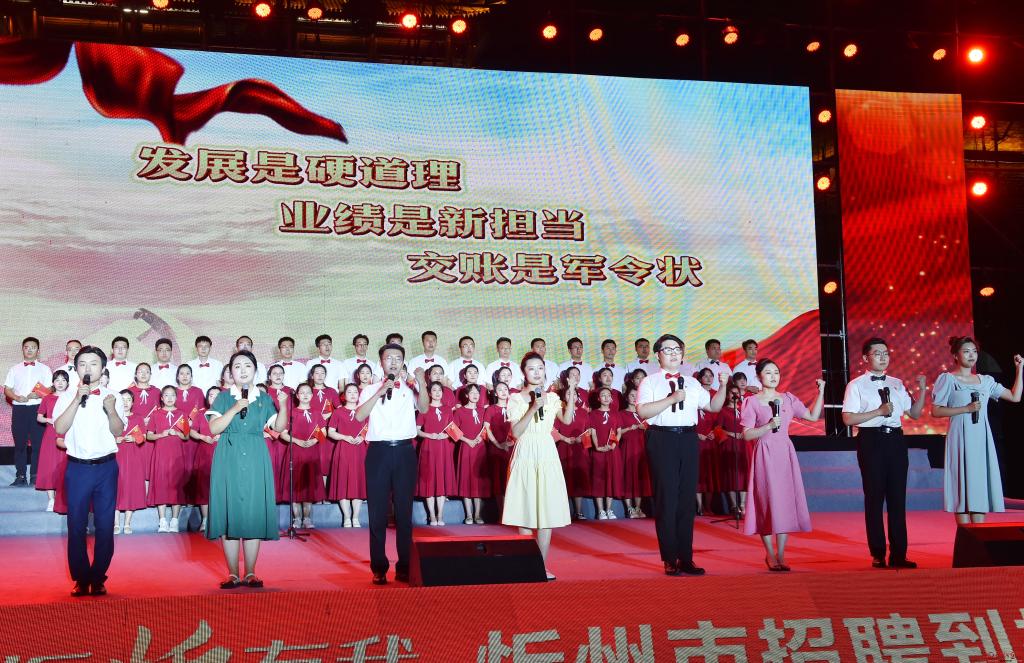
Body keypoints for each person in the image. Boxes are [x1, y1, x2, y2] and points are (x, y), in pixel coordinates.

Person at [637, 334, 727, 577]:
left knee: (687, 500)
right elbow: (643, 412)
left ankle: (686, 557)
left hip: (688, 438)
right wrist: (672, 399)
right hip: (661, 438)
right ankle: (669, 558)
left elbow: (713, 407)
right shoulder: (649, 382)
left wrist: (723, 386)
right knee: (667, 498)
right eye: (668, 349)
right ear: (658, 355)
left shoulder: (692, 382)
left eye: (677, 349)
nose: (674, 353)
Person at [841, 337, 927, 569]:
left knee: (898, 498)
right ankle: (878, 553)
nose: (883, 357)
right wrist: (878, 412)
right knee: (874, 497)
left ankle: (899, 554)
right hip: (871, 441)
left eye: (886, 353)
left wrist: (922, 391)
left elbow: (914, 414)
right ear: (865, 358)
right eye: (877, 353)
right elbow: (848, 418)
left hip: (896, 441)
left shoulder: (897, 383)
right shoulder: (856, 385)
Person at [207, 350, 289, 589]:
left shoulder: (264, 398)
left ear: (255, 370)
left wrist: (283, 406)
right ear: (230, 372)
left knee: (253, 510)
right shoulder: (223, 397)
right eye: (237, 366)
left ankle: (251, 572)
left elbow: (278, 427)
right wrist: (234, 408)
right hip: (228, 456)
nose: (242, 371)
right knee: (230, 511)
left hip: (255, 454)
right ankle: (233, 573)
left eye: (247, 366)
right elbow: (214, 428)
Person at [53, 345, 125, 596]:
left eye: (93, 363)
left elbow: (118, 431)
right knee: (76, 525)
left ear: (103, 368)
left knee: (105, 526)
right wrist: (76, 399)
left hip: (106, 467)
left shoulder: (113, 396)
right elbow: (60, 428)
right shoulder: (66, 396)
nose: (88, 368)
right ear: (76, 368)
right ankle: (81, 578)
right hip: (78, 468)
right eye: (82, 363)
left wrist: (111, 409)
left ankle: (98, 577)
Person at [355, 343, 430, 585]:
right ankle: (379, 567)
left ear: (403, 362)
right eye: (389, 358)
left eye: (398, 358)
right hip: (378, 452)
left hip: (405, 451)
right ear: (381, 362)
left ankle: (405, 566)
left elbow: (425, 407)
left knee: (404, 513)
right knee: (377, 512)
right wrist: (380, 392)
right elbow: (359, 416)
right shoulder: (370, 389)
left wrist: (422, 382)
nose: (394, 362)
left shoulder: (410, 388)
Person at [741, 359, 825, 571]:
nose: (773, 376)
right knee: (766, 502)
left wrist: (821, 392)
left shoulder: (787, 398)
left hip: (785, 453)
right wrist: (768, 426)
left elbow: (812, 416)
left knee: (784, 502)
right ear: (759, 376)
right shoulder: (752, 401)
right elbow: (747, 434)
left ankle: (781, 554)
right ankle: (770, 554)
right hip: (765, 453)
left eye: (776, 372)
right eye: (768, 372)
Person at [931, 336, 1023, 525]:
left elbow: (1015, 397)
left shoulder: (985, 380)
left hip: (981, 439)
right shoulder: (947, 379)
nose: (971, 355)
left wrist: (1019, 369)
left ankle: (978, 535)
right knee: (962, 486)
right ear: (956, 355)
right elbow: (936, 411)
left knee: (979, 485)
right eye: (966, 351)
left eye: (974, 351)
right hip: (960, 437)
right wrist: (966, 409)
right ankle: (966, 535)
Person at [503, 352, 578, 580]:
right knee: (525, 509)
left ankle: (541, 565)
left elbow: (567, 420)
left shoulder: (552, 398)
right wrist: (533, 408)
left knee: (546, 509)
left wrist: (571, 391)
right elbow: (515, 432)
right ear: (523, 372)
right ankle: (527, 565)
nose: (537, 373)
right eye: (531, 368)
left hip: (546, 452)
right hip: (525, 451)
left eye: (540, 368)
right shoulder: (516, 398)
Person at [4, 336, 52, 486]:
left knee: (38, 445)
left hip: (38, 409)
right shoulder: (14, 369)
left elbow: (51, 388)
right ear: (22, 349)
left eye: (33, 347)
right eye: (27, 347)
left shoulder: (45, 369)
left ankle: (35, 476)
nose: (30, 350)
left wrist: (39, 394)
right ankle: (20, 476)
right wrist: (17, 397)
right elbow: (7, 389)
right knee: (20, 444)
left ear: (38, 351)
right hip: (19, 410)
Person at [281, 383, 327, 529]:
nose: (305, 395)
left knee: (308, 484)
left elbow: (324, 432)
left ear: (312, 395)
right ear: (297, 395)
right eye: (302, 392)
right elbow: (283, 434)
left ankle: (307, 518)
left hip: (311, 452)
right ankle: (296, 518)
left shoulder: (317, 413)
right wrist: (298, 441)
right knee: (295, 484)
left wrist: (313, 441)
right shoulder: (291, 413)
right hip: (295, 451)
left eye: (308, 392)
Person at [146, 385, 189, 532]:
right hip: (161, 454)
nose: (169, 398)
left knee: (177, 485)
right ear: (162, 398)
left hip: (177, 454)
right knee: (161, 484)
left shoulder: (182, 414)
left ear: (176, 397)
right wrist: (162, 434)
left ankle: (175, 521)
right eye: (166, 395)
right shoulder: (156, 414)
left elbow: (186, 436)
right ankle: (163, 520)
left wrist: (178, 434)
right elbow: (149, 435)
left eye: (172, 395)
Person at [415, 381, 456, 526]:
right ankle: (432, 516)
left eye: (439, 390)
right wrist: (429, 435)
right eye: (434, 390)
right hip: (429, 447)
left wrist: (447, 435)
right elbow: (417, 430)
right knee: (429, 480)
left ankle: (440, 515)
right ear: (429, 393)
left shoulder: (447, 409)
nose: (437, 393)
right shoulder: (424, 409)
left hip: (443, 447)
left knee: (441, 479)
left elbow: (453, 429)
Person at [327, 384, 368, 527]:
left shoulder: (364, 410)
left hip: (360, 449)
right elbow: (330, 432)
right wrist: (344, 437)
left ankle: (355, 517)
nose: (352, 394)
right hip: (343, 449)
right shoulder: (338, 412)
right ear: (344, 396)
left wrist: (362, 437)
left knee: (358, 482)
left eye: (355, 391)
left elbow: (369, 428)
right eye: (349, 392)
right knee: (343, 482)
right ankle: (346, 517)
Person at [453, 384, 490, 524]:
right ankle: (469, 515)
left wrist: (481, 437)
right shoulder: (460, 411)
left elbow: (487, 428)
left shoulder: (483, 411)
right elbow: (453, 430)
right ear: (467, 395)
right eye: (472, 393)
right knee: (466, 479)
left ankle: (478, 514)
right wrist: (467, 440)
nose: (475, 395)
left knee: (477, 481)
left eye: (477, 393)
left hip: (480, 448)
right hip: (466, 447)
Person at [35, 370, 69, 511]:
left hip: (67, 433)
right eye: (57, 380)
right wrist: (49, 419)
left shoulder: (72, 398)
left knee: (65, 466)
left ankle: (64, 499)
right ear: (53, 383)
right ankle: (51, 500)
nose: (60, 383)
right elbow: (39, 417)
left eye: (63, 380)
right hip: (50, 435)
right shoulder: (47, 398)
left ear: (67, 383)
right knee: (49, 466)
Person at [114, 389, 147, 534]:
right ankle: (115, 523)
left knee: (130, 487)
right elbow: (104, 436)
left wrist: (134, 438)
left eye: (128, 399)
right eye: (123, 399)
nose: (126, 402)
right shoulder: (114, 417)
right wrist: (115, 439)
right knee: (115, 486)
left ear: (133, 402)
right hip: (116, 455)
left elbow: (143, 437)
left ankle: (127, 523)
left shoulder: (138, 418)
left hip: (133, 456)